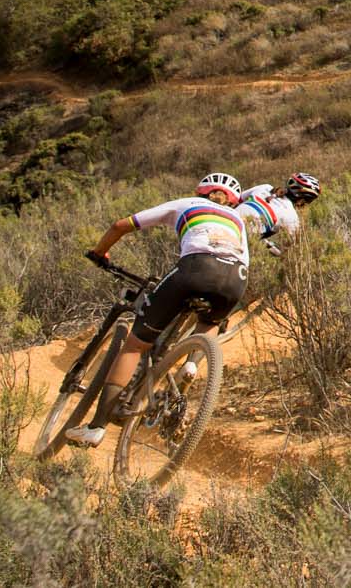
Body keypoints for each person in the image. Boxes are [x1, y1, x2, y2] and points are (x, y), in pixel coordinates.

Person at [60, 173, 253, 447]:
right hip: (236, 280)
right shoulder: (237, 221)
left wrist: (99, 252)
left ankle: (95, 428)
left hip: (196, 268)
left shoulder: (186, 204)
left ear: (201, 192)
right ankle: (190, 363)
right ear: (232, 202)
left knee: (134, 345)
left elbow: (120, 225)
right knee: (210, 318)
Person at [238, 170, 320, 246]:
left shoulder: (265, 187)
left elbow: (236, 199)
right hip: (239, 238)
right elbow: (289, 249)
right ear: (302, 200)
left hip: (227, 217)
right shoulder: (292, 216)